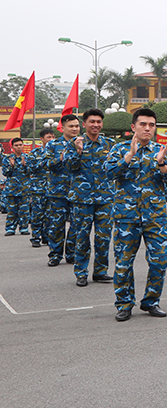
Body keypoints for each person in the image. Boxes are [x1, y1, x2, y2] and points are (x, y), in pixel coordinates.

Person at [105, 108, 167, 321]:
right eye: (143, 124)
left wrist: (162, 163)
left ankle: (151, 301)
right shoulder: (119, 149)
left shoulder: (160, 150)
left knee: (159, 261)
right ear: (133, 127)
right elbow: (108, 173)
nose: (147, 128)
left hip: (155, 217)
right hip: (127, 217)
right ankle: (124, 304)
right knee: (124, 263)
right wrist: (129, 157)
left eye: (151, 125)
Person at [63, 109, 115, 286]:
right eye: (92, 121)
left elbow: (116, 168)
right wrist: (78, 151)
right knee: (82, 237)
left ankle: (100, 271)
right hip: (82, 199)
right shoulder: (74, 143)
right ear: (84, 124)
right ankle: (81, 272)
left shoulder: (109, 143)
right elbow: (69, 167)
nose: (96, 125)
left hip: (105, 198)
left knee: (103, 237)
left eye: (99, 121)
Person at [44, 114, 80, 267]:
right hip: (58, 191)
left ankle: (71, 253)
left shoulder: (82, 143)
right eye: (71, 126)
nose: (74, 129)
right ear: (63, 127)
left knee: (76, 224)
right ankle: (55, 254)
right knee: (57, 224)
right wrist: (60, 158)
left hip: (78, 191)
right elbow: (46, 164)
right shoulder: (53, 145)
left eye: (77, 126)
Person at [28, 129, 54, 248]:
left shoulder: (56, 152)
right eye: (48, 137)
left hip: (53, 188)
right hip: (38, 189)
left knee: (50, 215)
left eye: (52, 137)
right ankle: (35, 237)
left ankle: (46, 236)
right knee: (37, 214)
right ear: (42, 139)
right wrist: (44, 163)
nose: (51, 139)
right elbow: (30, 169)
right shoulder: (35, 153)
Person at [2, 138, 30, 236]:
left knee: (24, 210)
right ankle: (10, 228)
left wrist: (25, 165)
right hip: (11, 189)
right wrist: (11, 166)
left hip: (24, 189)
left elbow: (31, 172)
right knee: (11, 210)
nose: (19, 147)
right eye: (16, 145)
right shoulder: (8, 158)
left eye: (20, 145)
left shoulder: (27, 157)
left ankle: (24, 227)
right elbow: (5, 173)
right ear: (12, 147)